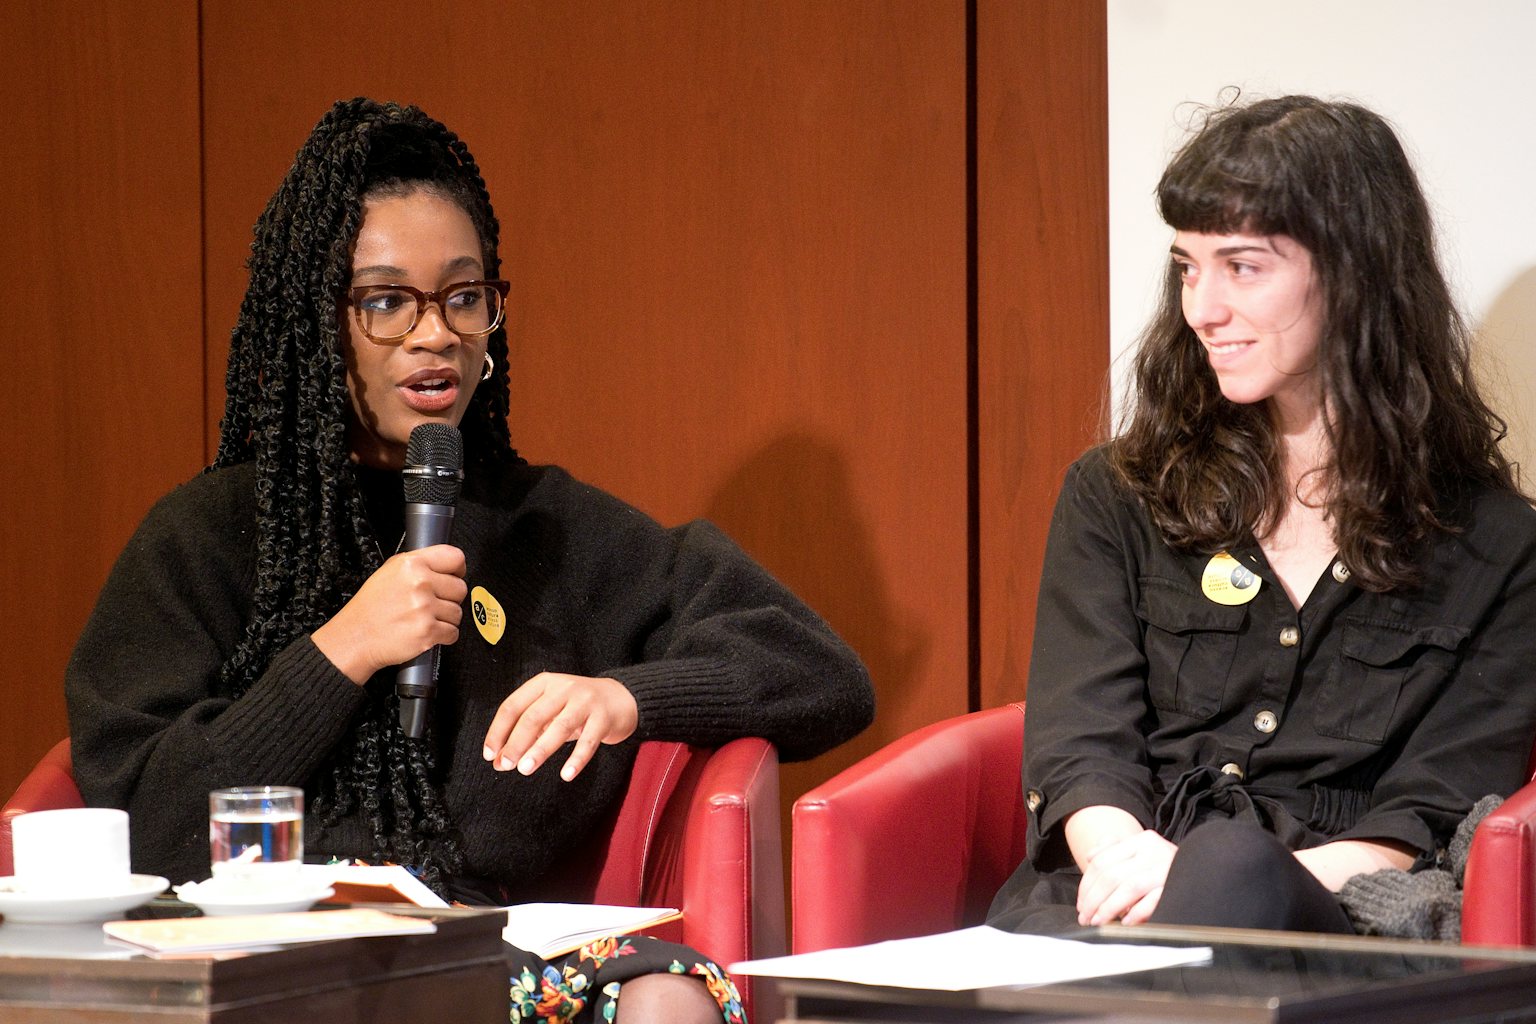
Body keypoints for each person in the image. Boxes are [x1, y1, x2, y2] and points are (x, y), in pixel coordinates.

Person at [66, 97, 874, 1023]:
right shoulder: (206, 537)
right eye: (384, 301)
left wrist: (630, 697)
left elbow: (823, 674)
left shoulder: (551, 528)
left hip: (473, 960)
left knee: (671, 997)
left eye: (463, 296)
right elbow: (140, 816)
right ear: (318, 324)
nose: (434, 333)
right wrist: (341, 653)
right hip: (254, 963)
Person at [987, 94, 1536, 937]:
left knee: (1231, 864)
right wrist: (1132, 866)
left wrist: (1208, 875)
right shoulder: (1116, 494)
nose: (1201, 308)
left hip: (1324, 917)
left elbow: (1423, 817)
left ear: (1354, 275)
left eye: (1241, 267)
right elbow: (1080, 748)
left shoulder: (1502, 548)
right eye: (1186, 267)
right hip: (1108, 893)